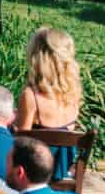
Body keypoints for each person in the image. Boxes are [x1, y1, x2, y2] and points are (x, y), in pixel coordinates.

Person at [19, 25, 85, 181]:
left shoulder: (31, 96)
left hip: (34, 173)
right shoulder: (74, 92)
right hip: (62, 170)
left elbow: (20, 144)